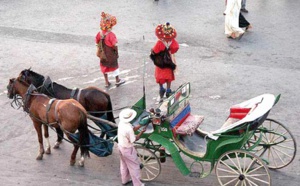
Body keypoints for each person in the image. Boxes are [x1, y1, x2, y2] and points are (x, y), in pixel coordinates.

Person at [95, 12, 125, 88]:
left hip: (103, 54)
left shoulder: (100, 33)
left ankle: (106, 82)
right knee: (114, 66)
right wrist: (116, 53)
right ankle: (117, 80)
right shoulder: (111, 35)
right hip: (110, 54)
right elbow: (114, 45)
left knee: (103, 66)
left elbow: (97, 41)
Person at [117, 108, 147, 186]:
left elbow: (133, 129)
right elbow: (134, 139)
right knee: (135, 167)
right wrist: (141, 132)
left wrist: (140, 125)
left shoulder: (121, 123)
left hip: (120, 147)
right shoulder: (129, 129)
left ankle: (125, 180)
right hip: (128, 149)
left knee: (123, 164)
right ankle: (137, 184)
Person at [151, 22, 179, 101]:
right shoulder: (172, 42)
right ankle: (168, 90)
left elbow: (155, 51)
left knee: (160, 76)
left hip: (160, 62)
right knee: (169, 75)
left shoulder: (159, 42)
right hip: (169, 61)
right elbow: (175, 48)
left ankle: (161, 89)